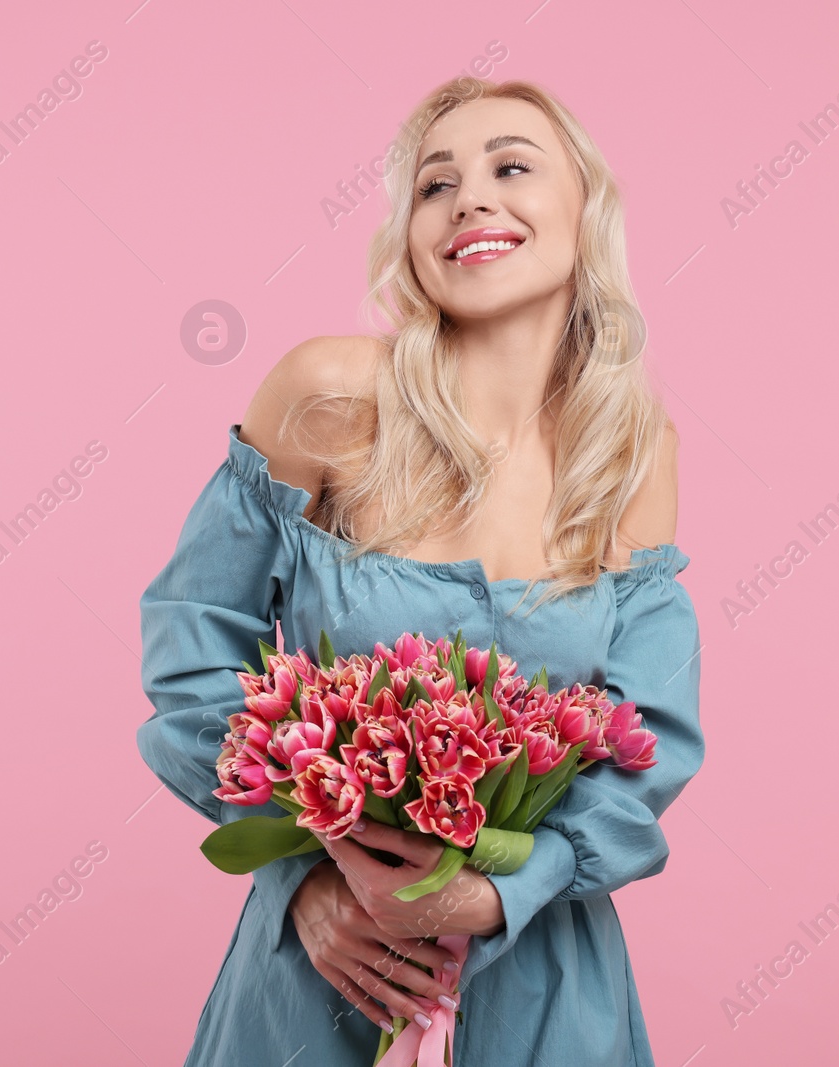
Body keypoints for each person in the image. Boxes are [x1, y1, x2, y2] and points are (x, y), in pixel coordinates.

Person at [138, 75, 704, 1066]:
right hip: (324, 975)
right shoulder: (327, 394)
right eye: (434, 184)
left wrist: (494, 891)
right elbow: (193, 652)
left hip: (543, 980)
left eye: (511, 167)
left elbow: (645, 732)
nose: (470, 198)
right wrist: (302, 883)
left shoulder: (630, 451)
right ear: (409, 236)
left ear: (584, 210)